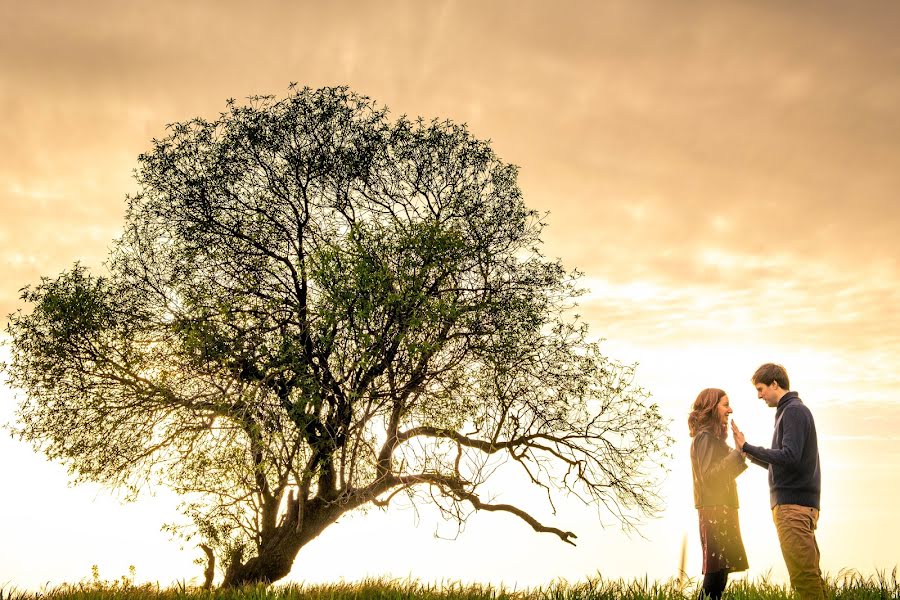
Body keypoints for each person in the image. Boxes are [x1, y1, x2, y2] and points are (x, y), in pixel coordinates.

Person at [731, 363, 825, 600]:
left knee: (804, 578)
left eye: (761, 389)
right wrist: (748, 453)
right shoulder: (790, 411)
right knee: (809, 575)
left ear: (775, 383)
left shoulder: (792, 410)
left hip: (793, 508)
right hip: (798, 505)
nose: (759, 395)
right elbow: (785, 463)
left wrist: (748, 446)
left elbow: (789, 457)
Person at [689, 388, 749, 600]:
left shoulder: (712, 439)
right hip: (715, 511)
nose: (730, 409)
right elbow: (710, 477)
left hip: (723, 509)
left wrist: (739, 451)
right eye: (725, 404)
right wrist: (736, 453)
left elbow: (725, 474)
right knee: (715, 575)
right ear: (711, 408)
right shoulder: (704, 438)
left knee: (721, 573)